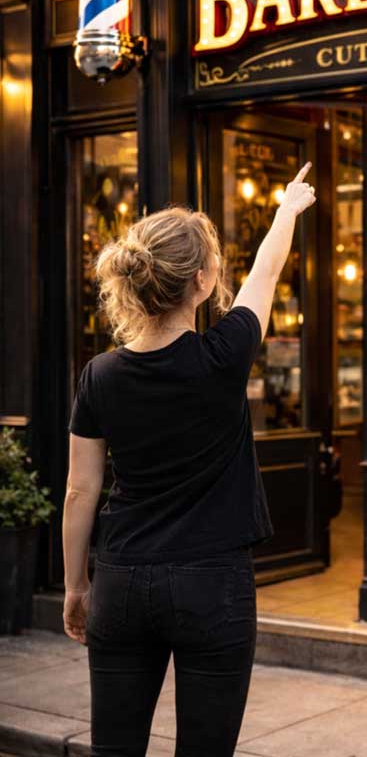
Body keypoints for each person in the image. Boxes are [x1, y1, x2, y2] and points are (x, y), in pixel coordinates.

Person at [62, 162, 316, 757]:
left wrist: (76, 586)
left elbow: (80, 491)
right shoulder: (223, 356)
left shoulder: (100, 375)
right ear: (201, 283)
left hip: (122, 579)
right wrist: (286, 210)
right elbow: (266, 271)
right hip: (213, 583)